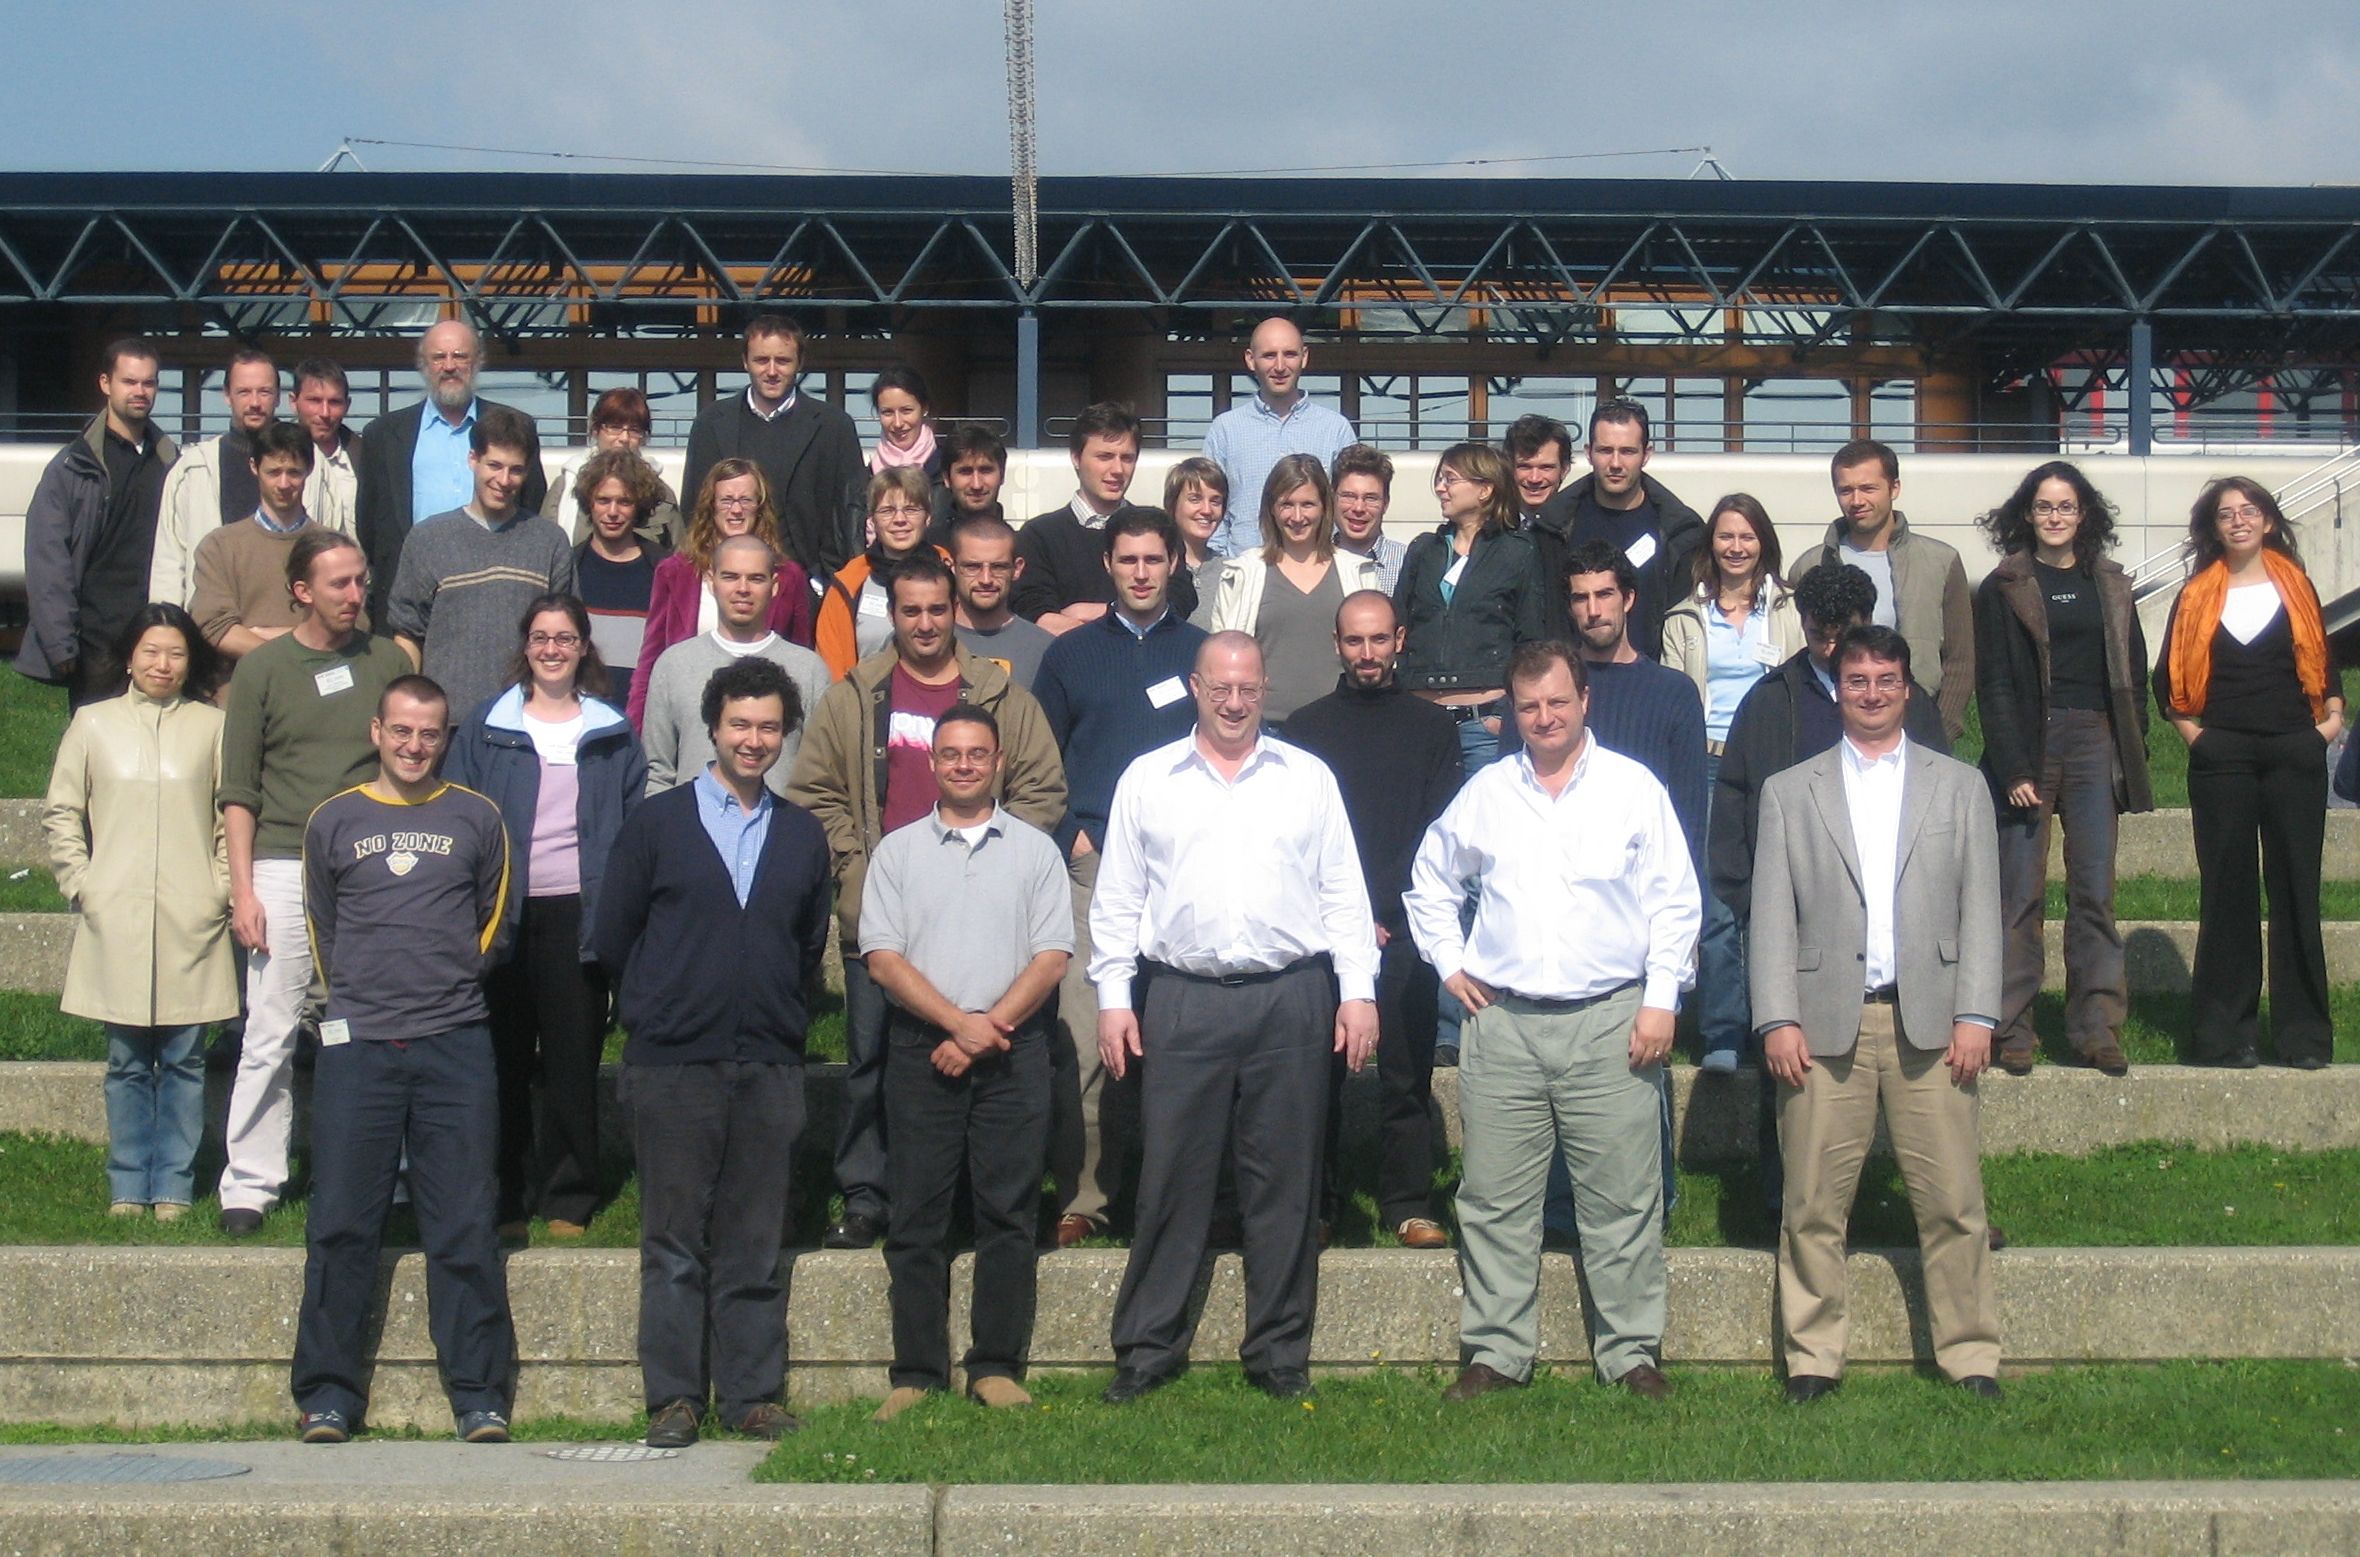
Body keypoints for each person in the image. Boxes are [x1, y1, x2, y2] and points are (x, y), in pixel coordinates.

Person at [1405, 640, 1696, 1405]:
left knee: (1622, 1197)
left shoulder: (1632, 788)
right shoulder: (1488, 791)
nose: (1544, 718)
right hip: (1505, 1022)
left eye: (1557, 702)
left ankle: (1630, 1350)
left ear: (1584, 701)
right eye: (1529, 706)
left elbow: (1675, 900)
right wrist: (1449, 962)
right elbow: (1430, 879)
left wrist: (1662, 997)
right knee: (1494, 1198)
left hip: (1611, 1019)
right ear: (1513, 710)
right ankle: (1497, 1350)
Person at [1091, 633, 1379, 1404]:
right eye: (1220, 687)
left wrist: (1358, 990)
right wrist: (1114, 997)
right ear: (1195, 686)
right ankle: (1147, 1348)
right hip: (1183, 997)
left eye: (1248, 687)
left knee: (1284, 1182)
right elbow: (1117, 899)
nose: (1234, 701)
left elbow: (1343, 890)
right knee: (1170, 1178)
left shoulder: (1307, 778)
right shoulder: (1148, 779)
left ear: (1264, 688)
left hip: (1291, 995)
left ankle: (1279, 1351)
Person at [1750, 625, 2003, 1404]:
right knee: (1811, 1205)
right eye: (1856, 679)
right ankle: (1813, 1357)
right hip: (1825, 1024)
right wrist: (1777, 1017)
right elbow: (1771, 916)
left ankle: (1970, 1354)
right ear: (1839, 688)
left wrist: (1977, 1012)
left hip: (1932, 1022)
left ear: (1907, 688)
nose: (1871, 693)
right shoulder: (1790, 791)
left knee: (1953, 1203)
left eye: (1885, 680)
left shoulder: (1959, 785)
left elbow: (1981, 909)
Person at [788, 555, 1067, 1250]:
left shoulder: (1001, 696)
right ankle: (869, 1195)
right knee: (872, 1063)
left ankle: (975, 1197)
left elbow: (1042, 788)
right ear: (893, 615)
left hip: (983, 918)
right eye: (909, 610)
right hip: (884, 915)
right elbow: (815, 792)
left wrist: (1000, 866)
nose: (924, 623)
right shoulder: (854, 696)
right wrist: (858, 870)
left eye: (936, 609)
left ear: (954, 610)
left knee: (984, 1061)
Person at [593, 656, 832, 1448]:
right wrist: (661, 1005)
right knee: (672, 1239)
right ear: (713, 728)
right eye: (739, 724)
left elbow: (805, 945)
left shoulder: (801, 834)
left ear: (785, 733)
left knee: (754, 1238)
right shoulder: (656, 825)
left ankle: (751, 1394)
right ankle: (674, 1396)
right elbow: (616, 934)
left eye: (768, 726)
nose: (753, 739)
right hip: (673, 1061)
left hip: (768, 1061)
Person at [292, 674, 516, 1445]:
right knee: (340, 1222)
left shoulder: (477, 816)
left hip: (455, 1043)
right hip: (358, 1048)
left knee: (464, 1223)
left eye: (429, 733)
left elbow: (494, 919)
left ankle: (478, 1393)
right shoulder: (333, 819)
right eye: (401, 731)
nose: (414, 745)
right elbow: (322, 925)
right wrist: (360, 1000)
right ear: (376, 731)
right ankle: (327, 1393)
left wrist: (443, 982)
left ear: (445, 737)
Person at [1707, 563, 1950, 1215]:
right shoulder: (1770, 702)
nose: (1833, 645)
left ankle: (1911, 1202)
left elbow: (1941, 804)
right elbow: (1734, 805)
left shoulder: (1908, 704)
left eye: (1844, 631)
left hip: (1889, 924)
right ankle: (1781, 1202)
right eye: (1819, 633)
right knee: (1785, 1069)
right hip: (1792, 927)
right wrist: (1752, 904)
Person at [861, 705, 1073, 1421]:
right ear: (931, 762)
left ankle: (995, 1366)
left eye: (977, 754)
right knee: (916, 1216)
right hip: (923, 1050)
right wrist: (958, 1026)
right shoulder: (897, 852)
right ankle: (916, 1373)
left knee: (1007, 1214)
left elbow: (1052, 957)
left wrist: (987, 1029)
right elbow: (883, 959)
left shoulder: (1035, 851)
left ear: (999, 761)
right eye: (950, 753)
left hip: (1014, 1051)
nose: (963, 765)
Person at [215, 531, 411, 1233]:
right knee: (270, 1027)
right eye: (339, 584)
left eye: (361, 580)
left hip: (369, 864)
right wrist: (244, 891)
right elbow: (238, 789)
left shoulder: (387, 659)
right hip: (281, 862)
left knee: (376, 1027)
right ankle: (250, 1182)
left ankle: (384, 1174)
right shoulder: (263, 669)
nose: (356, 595)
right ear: (301, 591)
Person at [1030, 506, 1209, 1246]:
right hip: (1094, 863)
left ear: (1174, 563)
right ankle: (1086, 1195)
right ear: (1107, 564)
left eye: (1153, 559)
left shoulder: (1202, 654)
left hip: (1185, 868)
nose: (1140, 572)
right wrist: (1071, 834)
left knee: (1175, 1039)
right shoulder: (1069, 656)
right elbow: (1039, 759)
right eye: (1127, 559)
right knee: (1086, 1036)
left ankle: (1167, 1197)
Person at [444, 594, 647, 1240]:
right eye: (540, 637)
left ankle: (569, 1195)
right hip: (501, 914)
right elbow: (458, 816)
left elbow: (632, 831)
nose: (552, 649)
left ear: (584, 647)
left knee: (570, 1061)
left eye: (564, 638)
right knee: (500, 1060)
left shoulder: (612, 731)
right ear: (525, 645)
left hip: (576, 916)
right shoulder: (488, 725)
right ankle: (504, 1194)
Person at [42, 604, 235, 1221]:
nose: (162, 664)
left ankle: (173, 1181)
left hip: (191, 917)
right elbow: (62, 811)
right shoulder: (93, 724)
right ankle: (128, 1179)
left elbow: (230, 817)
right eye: (151, 651)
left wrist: (221, 887)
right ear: (129, 657)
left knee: (184, 1059)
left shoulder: (212, 727)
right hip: (117, 915)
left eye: (175, 653)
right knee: (126, 1061)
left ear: (190, 662)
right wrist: (82, 884)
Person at [1285, 591, 1461, 1247]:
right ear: (1337, 643)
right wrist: (1348, 920)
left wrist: (1385, 914)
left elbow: (1440, 835)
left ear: (1400, 640)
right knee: (1316, 1077)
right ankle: (1317, 1204)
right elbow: (1296, 842)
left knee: (1405, 1075)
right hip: (1324, 931)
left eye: (1379, 639)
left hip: (1404, 925)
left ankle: (1407, 1202)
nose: (1367, 653)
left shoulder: (1432, 727)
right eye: (1355, 640)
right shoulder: (1304, 729)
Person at [2154, 477, 2342, 1070]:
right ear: (2212, 528)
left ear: (2268, 521)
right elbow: (2167, 681)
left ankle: (2304, 1038)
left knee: (2296, 894)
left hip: (2294, 754)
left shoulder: (2297, 586)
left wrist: (2329, 725)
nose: (2238, 520)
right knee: (2227, 895)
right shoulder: (2195, 595)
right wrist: (2198, 738)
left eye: (2249, 510)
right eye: (2225, 514)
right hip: (2223, 760)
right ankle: (2223, 1036)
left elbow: (2326, 667)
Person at [1973, 461, 2152, 1077]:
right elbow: (1994, 684)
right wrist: (2013, 766)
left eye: (2066, 506)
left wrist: (2132, 747)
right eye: (2045, 506)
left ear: (2084, 514)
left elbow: (2133, 674)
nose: (2055, 517)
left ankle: (2096, 1026)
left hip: (2095, 739)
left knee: (2094, 890)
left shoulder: (2111, 583)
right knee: (2018, 893)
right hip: (2031, 741)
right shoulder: (2003, 586)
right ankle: (2011, 1028)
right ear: (2027, 513)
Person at [1660, 495, 1802, 1071]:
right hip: (1709, 763)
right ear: (1710, 544)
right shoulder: (1684, 617)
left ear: (1763, 542)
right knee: (1718, 903)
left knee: (1779, 897)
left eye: (1746, 536)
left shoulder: (1790, 609)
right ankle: (1722, 1029)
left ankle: (1777, 1019)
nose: (1736, 548)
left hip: (1776, 761)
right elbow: (1675, 698)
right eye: (1725, 536)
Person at [386, 405, 576, 723]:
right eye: (494, 465)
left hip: (527, 721)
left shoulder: (550, 542)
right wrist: (410, 713)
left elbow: (566, 637)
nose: (503, 480)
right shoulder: (428, 539)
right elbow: (408, 634)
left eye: (516, 470)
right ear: (473, 459)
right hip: (448, 723)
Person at [354, 319, 548, 628]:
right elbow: (369, 525)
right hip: (410, 598)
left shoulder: (516, 428)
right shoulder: (383, 434)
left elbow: (532, 503)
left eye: (459, 356)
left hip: (495, 597)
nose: (449, 366)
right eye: (438, 357)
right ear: (423, 364)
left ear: (477, 362)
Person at [19, 337, 179, 707]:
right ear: (105, 383)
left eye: (149, 382)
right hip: (95, 641)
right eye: (129, 381)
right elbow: (48, 560)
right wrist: (60, 642)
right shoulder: (72, 467)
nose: (140, 391)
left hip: (157, 634)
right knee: (97, 741)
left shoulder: (171, 462)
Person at [1791, 439, 1976, 742]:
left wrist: (1941, 729)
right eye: (1846, 490)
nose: (1857, 500)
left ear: (1894, 488)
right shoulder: (1810, 566)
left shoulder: (1940, 561)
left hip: (1918, 726)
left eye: (1868, 488)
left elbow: (1961, 659)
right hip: (1830, 728)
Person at [1393, 441, 1548, 777]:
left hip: (1484, 723)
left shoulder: (1516, 551)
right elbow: (1398, 629)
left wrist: (1506, 714)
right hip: (1421, 720)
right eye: (1440, 479)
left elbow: (1531, 640)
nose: (1440, 488)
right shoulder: (1424, 550)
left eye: (1450, 479)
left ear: (1485, 489)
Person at [629, 458, 817, 729]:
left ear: (760, 507)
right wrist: (635, 727)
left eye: (746, 500)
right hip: (690, 717)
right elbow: (651, 658)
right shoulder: (675, 572)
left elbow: (799, 657)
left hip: (762, 722)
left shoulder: (788, 576)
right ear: (711, 505)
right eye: (726, 500)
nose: (736, 510)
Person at [1195, 455, 1381, 726]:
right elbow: (1221, 659)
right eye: (1287, 504)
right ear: (1271, 508)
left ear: (1324, 507)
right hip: (1264, 728)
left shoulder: (1359, 573)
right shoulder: (1242, 572)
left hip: (1342, 725)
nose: (1297, 517)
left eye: (1307, 504)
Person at [640, 534, 833, 793]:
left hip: (780, 817)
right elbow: (658, 771)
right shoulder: (674, 664)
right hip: (690, 817)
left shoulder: (808, 670)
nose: (743, 588)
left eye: (756, 578)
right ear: (711, 582)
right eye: (730, 577)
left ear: (774, 586)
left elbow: (822, 775)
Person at [680, 313, 865, 582]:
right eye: (761, 360)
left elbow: (850, 512)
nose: (771, 371)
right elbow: (693, 508)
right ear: (745, 361)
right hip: (728, 580)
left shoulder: (834, 427)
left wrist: (827, 579)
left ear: (800, 362)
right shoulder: (710, 424)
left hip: (808, 581)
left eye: (783, 361)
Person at [1531, 400, 1704, 659]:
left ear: (1646, 454)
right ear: (1588, 453)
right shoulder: (1551, 529)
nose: (1615, 463)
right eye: (1605, 450)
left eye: (1627, 451)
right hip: (1571, 677)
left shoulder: (1680, 532)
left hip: (1652, 675)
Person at [191, 420, 354, 668]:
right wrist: (295, 652)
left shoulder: (335, 549)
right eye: (274, 472)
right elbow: (214, 626)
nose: (284, 484)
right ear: (254, 467)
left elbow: (353, 622)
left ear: (310, 469)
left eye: (294, 472)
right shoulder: (220, 546)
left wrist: (266, 635)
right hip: (241, 684)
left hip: (319, 684)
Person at [1203, 317, 1357, 558]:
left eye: (1290, 354)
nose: (1280, 366)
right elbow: (1210, 505)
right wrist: (1222, 562)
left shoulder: (1335, 430)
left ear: (1304, 357)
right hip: (1242, 568)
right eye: (1269, 355)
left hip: (1315, 568)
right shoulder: (1225, 430)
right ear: (1250, 359)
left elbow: (1347, 506)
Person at [148, 347, 282, 606]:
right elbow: (169, 561)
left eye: (264, 392)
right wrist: (166, 622)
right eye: (244, 392)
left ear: (278, 397)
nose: (255, 402)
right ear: (227, 395)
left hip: (285, 621)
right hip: (209, 620)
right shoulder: (192, 468)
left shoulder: (311, 466)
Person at [1013, 402, 1142, 633]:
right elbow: (1034, 613)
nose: (1118, 469)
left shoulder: (1156, 533)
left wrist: (1096, 611)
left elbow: (1176, 600)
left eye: (1127, 458)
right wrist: (1132, 619)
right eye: (1105, 456)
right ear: (1076, 457)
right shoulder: (1039, 536)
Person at [815, 467, 950, 678]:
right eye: (887, 511)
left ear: (928, 517)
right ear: (872, 521)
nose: (899, 519)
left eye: (911, 509)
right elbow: (833, 668)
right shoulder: (847, 585)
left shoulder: (951, 574)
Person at [568, 448, 668, 713]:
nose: (612, 512)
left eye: (624, 502)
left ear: (639, 506)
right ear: (589, 503)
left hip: (645, 717)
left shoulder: (663, 571)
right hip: (581, 716)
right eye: (603, 500)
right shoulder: (569, 568)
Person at [545, 388, 684, 553]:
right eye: (615, 427)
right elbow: (544, 548)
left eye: (634, 430)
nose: (624, 438)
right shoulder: (565, 487)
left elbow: (680, 556)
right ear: (595, 430)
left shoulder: (661, 495)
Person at [949, 512, 1054, 688]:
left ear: (1017, 569)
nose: (986, 579)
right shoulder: (924, 640)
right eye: (973, 567)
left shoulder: (1045, 649)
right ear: (952, 566)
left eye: (998, 567)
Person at [291, 359, 362, 539]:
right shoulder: (274, 457)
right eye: (314, 400)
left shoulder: (367, 459)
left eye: (334, 402)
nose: (324, 413)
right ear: (293, 401)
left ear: (347, 405)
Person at [1331, 443, 1407, 594]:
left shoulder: (1407, 564)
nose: (1359, 508)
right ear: (1332, 499)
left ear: (1385, 503)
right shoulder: (1313, 562)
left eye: (1371, 498)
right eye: (1349, 496)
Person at [925, 423, 1010, 548]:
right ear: (947, 478)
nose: (976, 485)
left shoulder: (1021, 546)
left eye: (985, 470)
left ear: (1002, 475)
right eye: (965, 472)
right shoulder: (928, 547)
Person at [867, 364, 942, 486]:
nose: (898, 423)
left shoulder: (948, 470)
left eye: (906, 410)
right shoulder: (866, 479)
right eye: (887, 412)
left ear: (924, 408)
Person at [1503, 414, 1571, 529]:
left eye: (1546, 467)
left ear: (1564, 470)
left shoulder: (1581, 527)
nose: (1534, 479)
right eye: (1525, 467)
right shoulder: (1485, 528)